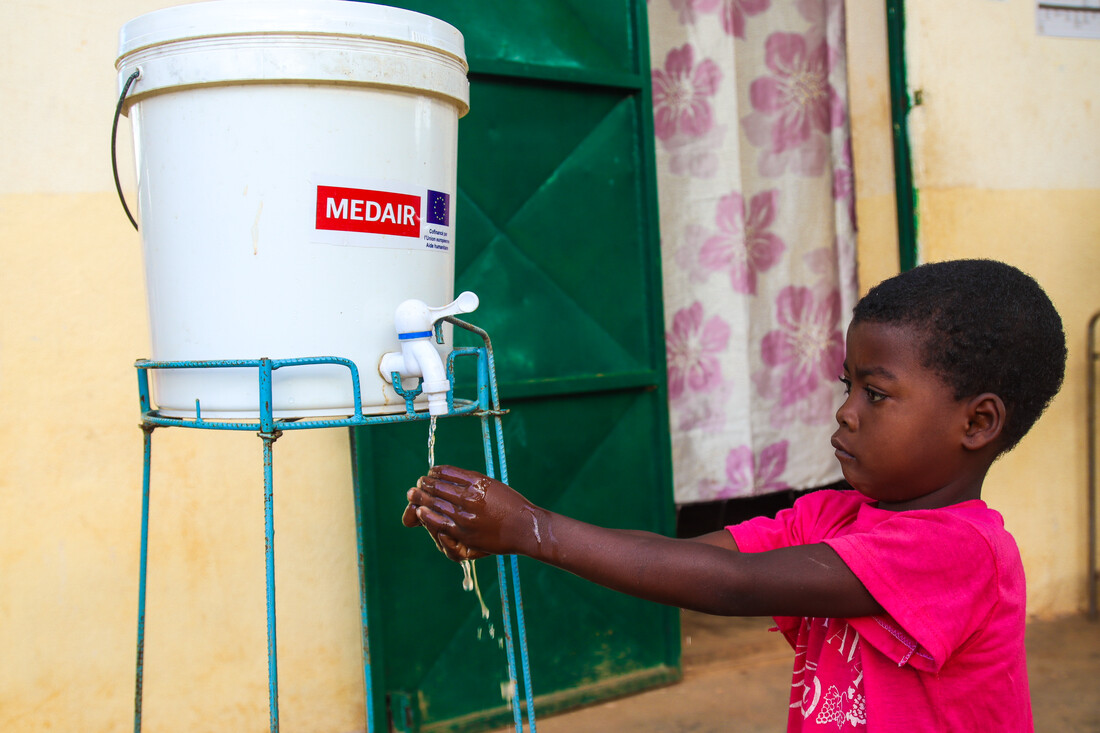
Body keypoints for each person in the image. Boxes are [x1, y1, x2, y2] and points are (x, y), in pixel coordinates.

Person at [403, 259, 1066, 732]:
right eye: (847, 385)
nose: (846, 413)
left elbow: (734, 584)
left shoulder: (961, 550)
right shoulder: (834, 516)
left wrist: (533, 529)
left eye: (876, 392)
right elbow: (690, 560)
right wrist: (504, 524)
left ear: (977, 423)